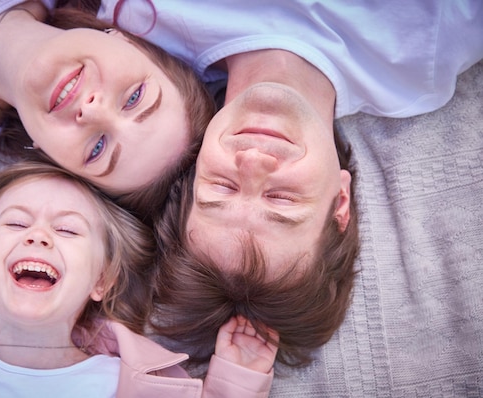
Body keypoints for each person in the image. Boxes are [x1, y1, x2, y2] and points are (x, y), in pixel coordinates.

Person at [86, 0, 483, 365]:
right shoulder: (423, 53)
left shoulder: (138, 45)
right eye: (282, 198)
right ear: (340, 202)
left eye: (221, 186)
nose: (254, 160)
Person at [0, 162, 276, 398]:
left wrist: (236, 381)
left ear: (101, 281)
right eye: (17, 223)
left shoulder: (127, 385)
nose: (38, 236)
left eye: (67, 229)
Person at [0, 0, 215, 272]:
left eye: (98, 148)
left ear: (51, 158)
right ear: (129, 40)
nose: (91, 111)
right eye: (135, 97)